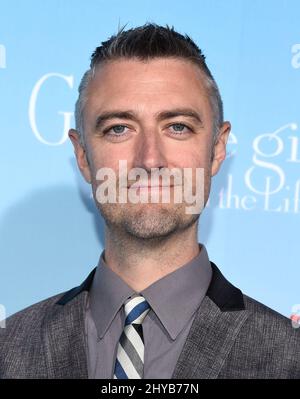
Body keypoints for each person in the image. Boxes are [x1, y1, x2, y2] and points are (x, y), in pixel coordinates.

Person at [1, 23, 299, 379]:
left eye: (177, 127)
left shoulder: (288, 358)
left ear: (218, 149)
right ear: (82, 155)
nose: (149, 159)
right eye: (119, 128)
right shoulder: (9, 349)